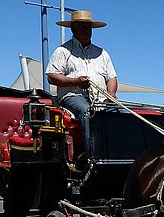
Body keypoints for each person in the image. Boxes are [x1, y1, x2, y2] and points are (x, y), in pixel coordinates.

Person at [45, 10, 118, 159]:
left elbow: (112, 78)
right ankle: (93, 156)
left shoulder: (102, 53)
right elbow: (52, 77)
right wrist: (75, 81)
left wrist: (111, 94)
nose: (87, 31)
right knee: (87, 112)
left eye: (89, 27)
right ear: (73, 29)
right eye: (83, 27)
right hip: (72, 96)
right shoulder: (62, 51)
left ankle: (120, 153)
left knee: (121, 114)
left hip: (101, 98)